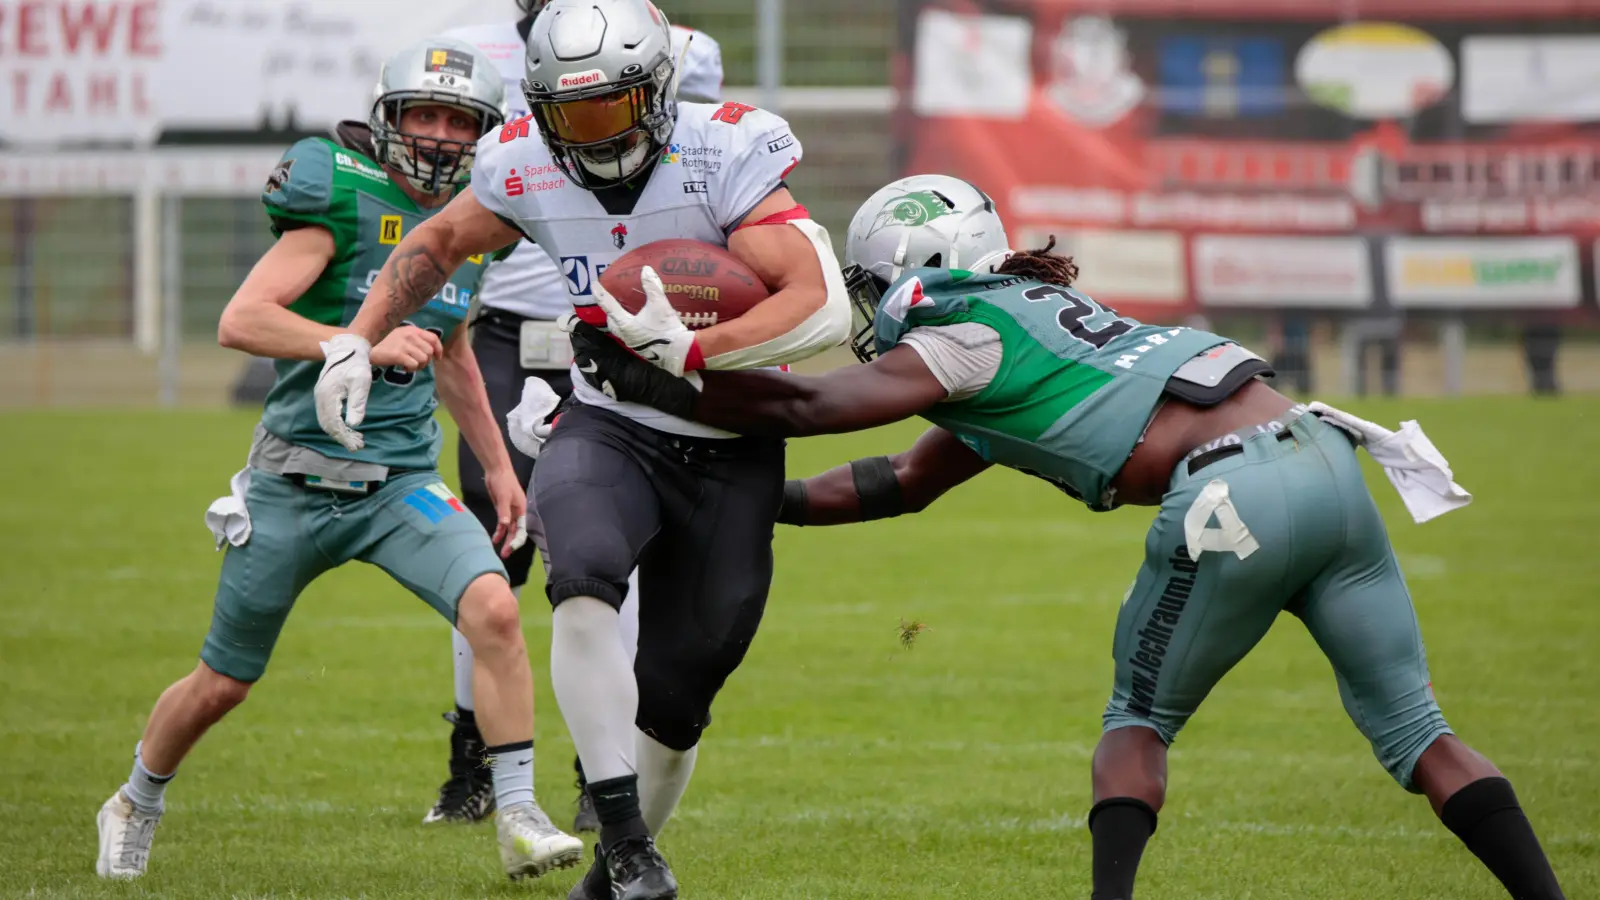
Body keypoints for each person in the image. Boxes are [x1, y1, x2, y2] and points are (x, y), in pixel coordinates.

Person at [561, 174, 1570, 900]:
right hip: (1324, 459)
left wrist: (668, 375)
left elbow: (812, 406)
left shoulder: (964, 329)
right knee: (1417, 733)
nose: (873, 312)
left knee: (1134, 721)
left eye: (872, 288)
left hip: (1237, 492)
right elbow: (903, 482)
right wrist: (736, 503)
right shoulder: (1045, 319)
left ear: (916, 267)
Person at [309, 2, 851, 897]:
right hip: (608, 419)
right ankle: (632, 844)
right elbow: (439, 243)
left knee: (681, 698)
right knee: (583, 574)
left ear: (659, 89)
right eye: (565, 112)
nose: (587, 133)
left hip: (730, 437)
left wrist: (701, 349)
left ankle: (612, 876)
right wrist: (352, 337)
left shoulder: (723, 150)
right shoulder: (523, 159)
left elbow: (820, 300)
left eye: (606, 108)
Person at [93, 37, 584, 883]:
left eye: (456, 121)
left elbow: (457, 353)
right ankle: (136, 797)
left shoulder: (476, 226)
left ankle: (516, 813)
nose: (435, 136)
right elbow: (241, 319)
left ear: (485, 135)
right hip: (294, 483)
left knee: (496, 613)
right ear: (389, 120)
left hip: (400, 487)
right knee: (223, 683)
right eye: (422, 115)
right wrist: (351, 344)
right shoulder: (343, 200)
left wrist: (499, 469)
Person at [430, 0, 726, 832]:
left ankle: (604, 768)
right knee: (490, 550)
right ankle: (472, 760)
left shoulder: (680, 52)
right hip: (503, 330)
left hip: (619, 330)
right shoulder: (478, 49)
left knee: (609, 554)